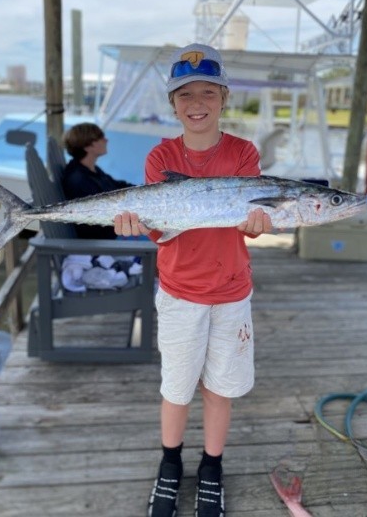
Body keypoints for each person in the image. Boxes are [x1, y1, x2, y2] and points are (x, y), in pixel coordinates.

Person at [114, 43, 272, 517]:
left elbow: (249, 215)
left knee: (219, 388)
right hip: (180, 291)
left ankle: (212, 467)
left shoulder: (244, 152)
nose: (197, 103)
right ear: (172, 104)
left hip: (231, 292)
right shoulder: (159, 156)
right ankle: (169, 465)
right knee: (177, 386)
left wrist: (256, 223)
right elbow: (162, 227)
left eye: (208, 92)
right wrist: (137, 224)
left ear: (224, 98)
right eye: (185, 95)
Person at [62, 122, 133, 240]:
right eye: (100, 137)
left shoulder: (92, 170)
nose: (106, 140)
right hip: (103, 242)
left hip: (113, 232)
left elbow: (118, 186)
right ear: (87, 146)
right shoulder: (79, 180)